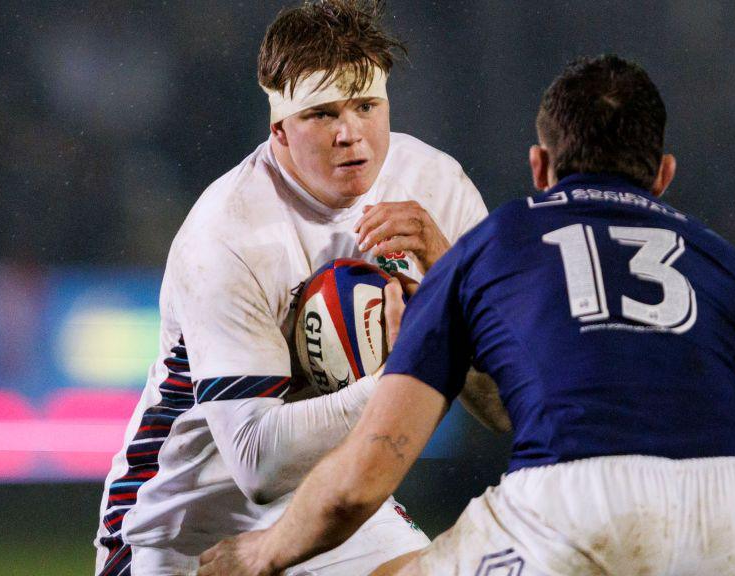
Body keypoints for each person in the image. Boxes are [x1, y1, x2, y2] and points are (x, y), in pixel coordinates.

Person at [197, 55, 735, 576]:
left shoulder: (493, 246)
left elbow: (363, 479)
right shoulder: (727, 267)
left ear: (540, 166)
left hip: (574, 500)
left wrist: (258, 555)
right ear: (662, 176)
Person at [93, 1, 502, 574]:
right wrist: (402, 376)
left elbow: (510, 410)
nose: (349, 134)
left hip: (329, 494)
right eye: (322, 114)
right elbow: (256, 466)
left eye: (366, 106)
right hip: (187, 523)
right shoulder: (228, 234)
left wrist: (455, 291)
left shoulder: (435, 187)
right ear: (278, 129)